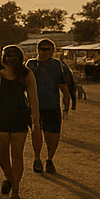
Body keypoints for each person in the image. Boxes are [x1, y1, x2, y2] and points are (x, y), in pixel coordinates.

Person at [0, 44, 38, 199]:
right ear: (3, 58)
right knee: (1, 155)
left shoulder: (26, 74)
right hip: (0, 119)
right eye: (8, 55)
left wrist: (36, 121)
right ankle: (10, 178)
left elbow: (34, 99)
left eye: (14, 55)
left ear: (20, 58)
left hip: (19, 119)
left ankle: (15, 192)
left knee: (17, 155)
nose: (11, 58)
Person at [26, 39, 70, 174]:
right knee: (36, 131)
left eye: (47, 49)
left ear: (52, 51)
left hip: (52, 105)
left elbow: (63, 85)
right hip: (35, 106)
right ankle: (37, 158)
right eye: (41, 49)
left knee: (53, 135)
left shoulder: (57, 65)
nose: (44, 52)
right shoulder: (31, 65)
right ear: (37, 50)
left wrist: (67, 100)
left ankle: (50, 159)